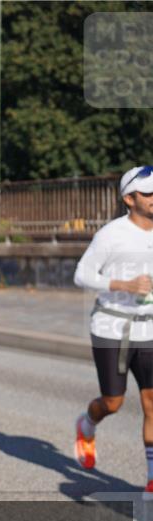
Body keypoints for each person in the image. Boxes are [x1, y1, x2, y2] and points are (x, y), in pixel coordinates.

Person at [73, 165, 153, 499]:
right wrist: (124, 284)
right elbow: (81, 275)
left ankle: (151, 479)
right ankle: (87, 424)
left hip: (149, 327)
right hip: (112, 327)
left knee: (151, 403)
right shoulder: (111, 234)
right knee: (114, 402)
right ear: (129, 198)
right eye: (148, 193)